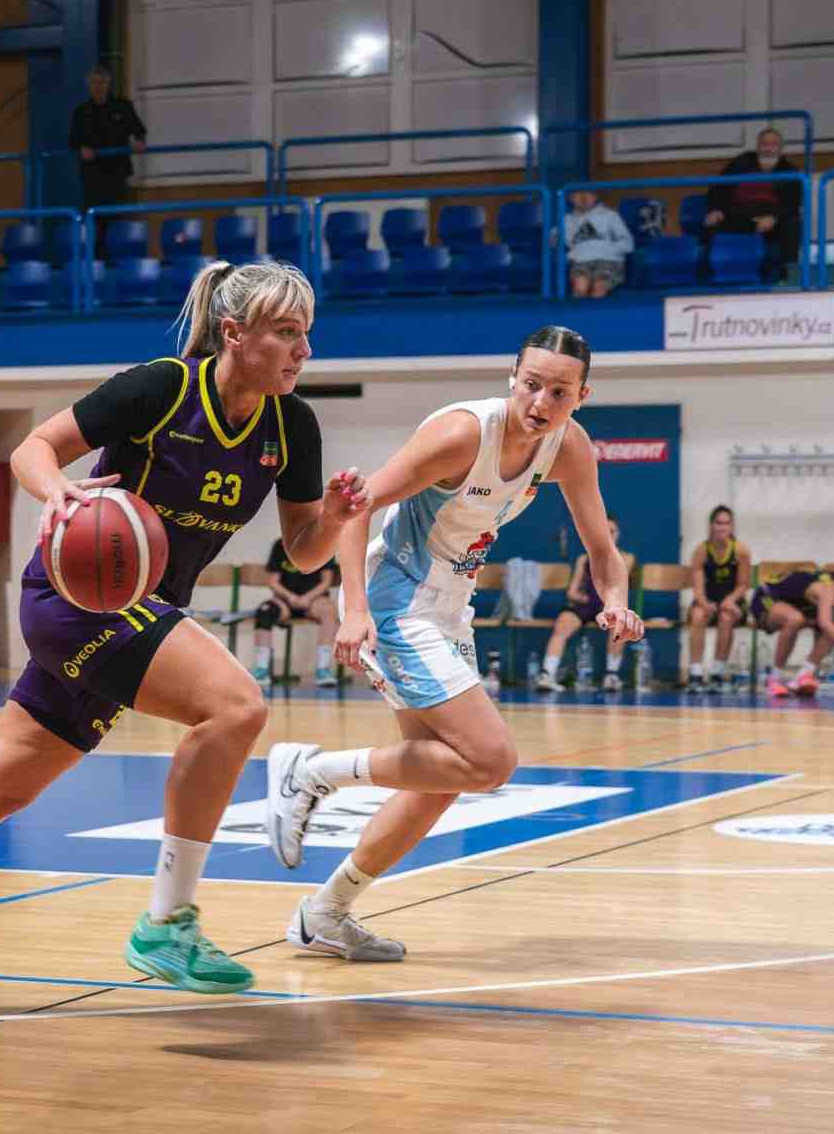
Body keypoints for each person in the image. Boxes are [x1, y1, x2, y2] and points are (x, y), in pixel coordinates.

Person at [0, 260, 368, 1018]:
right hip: (77, 600)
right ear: (235, 333)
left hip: (143, 612)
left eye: (307, 333)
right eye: (288, 332)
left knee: (0, 788)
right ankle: (168, 923)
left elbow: (301, 550)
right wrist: (59, 491)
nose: (304, 349)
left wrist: (331, 519)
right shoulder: (162, 388)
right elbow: (32, 449)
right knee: (236, 707)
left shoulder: (290, 424)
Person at [265, 326, 645, 962]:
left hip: (448, 607)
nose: (541, 402)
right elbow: (355, 507)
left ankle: (324, 914)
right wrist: (355, 610)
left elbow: (602, 551)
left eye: (559, 392)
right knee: (490, 761)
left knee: (439, 777)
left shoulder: (570, 446)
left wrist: (615, 603)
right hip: (397, 601)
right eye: (532, 384)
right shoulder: (463, 434)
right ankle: (311, 772)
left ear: (582, 396)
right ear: (512, 377)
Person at [744, 556, 834, 697]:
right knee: (795, 619)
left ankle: (804, 675)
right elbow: (825, 623)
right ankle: (774, 678)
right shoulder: (827, 589)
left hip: (796, 606)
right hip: (766, 597)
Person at [536, 515, 635, 692]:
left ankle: (611, 675)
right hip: (586, 605)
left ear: (618, 534)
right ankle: (547, 674)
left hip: (609, 607)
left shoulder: (626, 558)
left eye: (612, 531)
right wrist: (582, 599)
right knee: (562, 624)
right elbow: (572, 592)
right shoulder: (584, 559)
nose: (608, 535)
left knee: (620, 624)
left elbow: (617, 585)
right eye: (604, 531)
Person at [703, 128, 802, 284]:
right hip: (738, 216)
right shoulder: (741, 162)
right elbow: (718, 187)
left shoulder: (790, 170)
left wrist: (774, 217)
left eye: (773, 144)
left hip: (771, 222)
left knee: (792, 225)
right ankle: (707, 279)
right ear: (757, 145)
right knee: (711, 225)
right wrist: (715, 209)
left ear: (781, 148)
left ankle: (787, 278)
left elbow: (792, 202)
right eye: (764, 143)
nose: (768, 148)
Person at [251, 537, 339, 688]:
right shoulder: (280, 545)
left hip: (313, 601)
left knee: (329, 611)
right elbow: (273, 581)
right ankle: (261, 670)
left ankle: (323, 670)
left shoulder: (326, 542)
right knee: (264, 611)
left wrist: (307, 598)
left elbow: (326, 581)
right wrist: (291, 597)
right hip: (285, 600)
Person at [71, 66, 147, 241]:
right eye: (94, 82)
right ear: (88, 85)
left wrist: (139, 141)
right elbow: (73, 140)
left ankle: (116, 254)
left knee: (117, 219)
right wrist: (81, 148)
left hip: (117, 173)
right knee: (95, 220)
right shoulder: (81, 112)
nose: (98, 86)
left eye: (102, 82)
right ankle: (96, 256)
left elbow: (139, 130)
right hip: (92, 175)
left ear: (108, 84)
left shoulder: (123, 106)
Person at [684, 505, 751, 692]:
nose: (722, 527)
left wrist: (730, 601)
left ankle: (717, 672)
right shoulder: (701, 551)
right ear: (711, 525)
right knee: (697, 615)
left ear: (732, 526)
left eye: (726, 523)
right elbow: (697, 588)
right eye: (719, 523)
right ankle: (695, 673)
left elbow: (743, 585)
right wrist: (704, 603)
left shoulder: (741, 550)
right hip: (708, 600)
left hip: (733, 600)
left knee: (726, 617)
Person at [562, 189, 634, 298]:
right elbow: (557, 241)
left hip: (608, 260)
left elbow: (628, 243)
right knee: (580, 288)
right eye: (578, 194)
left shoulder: (609, 215)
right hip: (581, 261)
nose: (583, 197)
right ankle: (577, 310)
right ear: (571, 198)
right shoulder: (567, 220)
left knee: (599, 288)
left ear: (596, 197)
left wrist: (607, 249)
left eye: (589, 193)